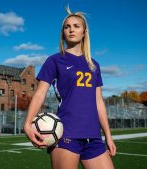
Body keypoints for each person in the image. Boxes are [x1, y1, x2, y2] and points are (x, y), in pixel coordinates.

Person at [24, 6, 116, 169]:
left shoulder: (94, 65)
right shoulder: (55, 60)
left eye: (76, 26)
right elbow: (40, 93)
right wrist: (27, 124)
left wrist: (108, 135)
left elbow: (98, 102)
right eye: (67, 27)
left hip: (93, 136)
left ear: (84, 32)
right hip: (66, 134)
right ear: (63, 33)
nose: (71, 29)